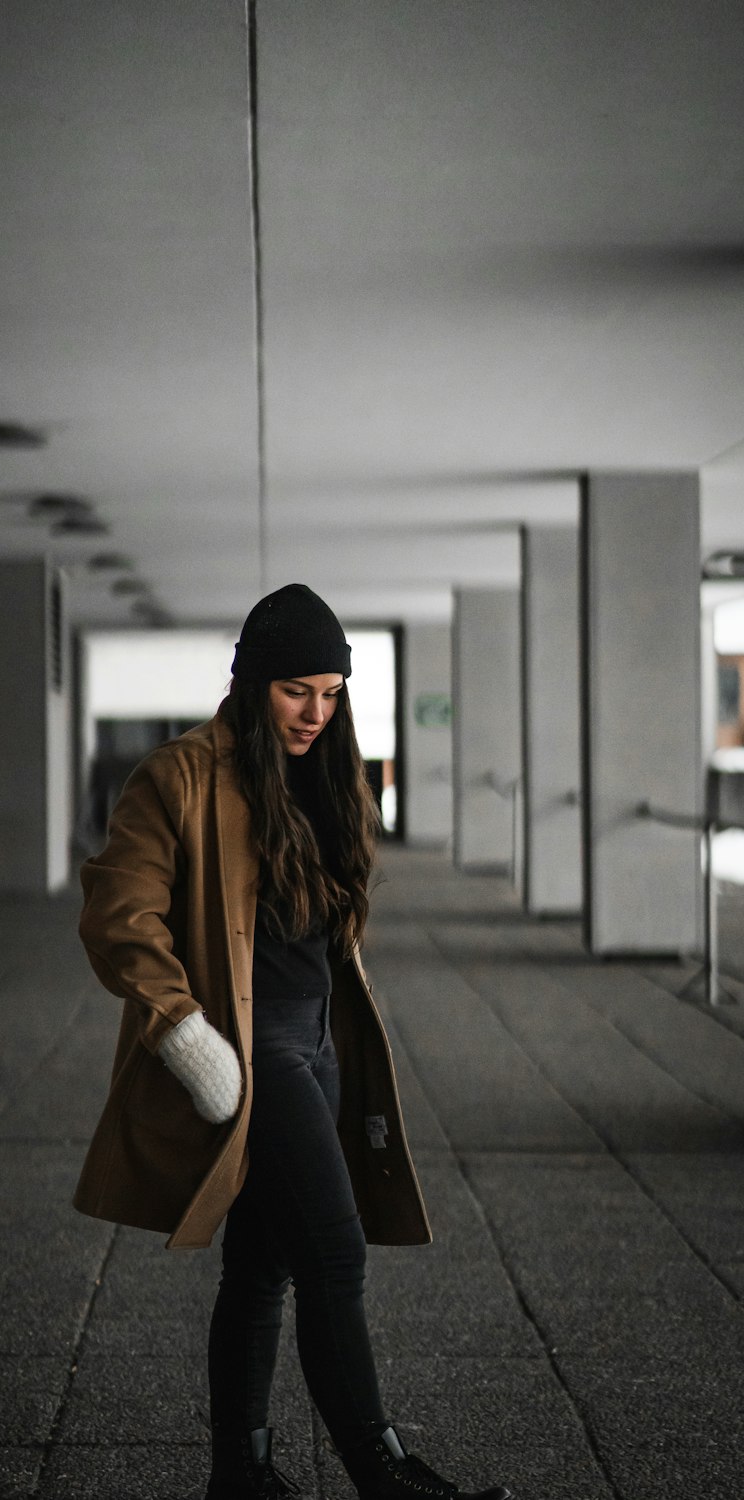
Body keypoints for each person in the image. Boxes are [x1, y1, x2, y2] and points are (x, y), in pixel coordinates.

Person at [75, 584, 510, 1500]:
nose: (317, 711)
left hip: (315, 1038)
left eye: (332, 691)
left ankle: (242, 1474)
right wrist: (187, 1037)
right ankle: (383, 1473)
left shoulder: (330, 773)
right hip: (248, 1046)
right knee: (334, 1253)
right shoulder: (180, 776)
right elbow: (119, 916)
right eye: (296, 690)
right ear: (251, 682)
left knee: (264, 1262)